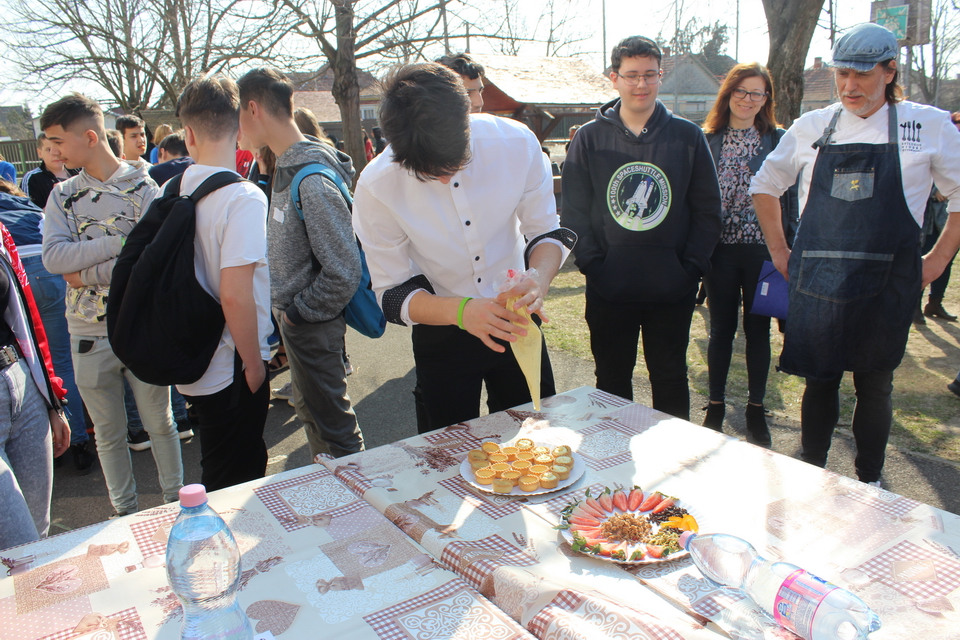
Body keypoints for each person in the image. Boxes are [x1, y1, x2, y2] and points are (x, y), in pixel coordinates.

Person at [750, 23, 960, 487]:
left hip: (886, 284)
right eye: (844, 74)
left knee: (875, 384)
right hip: (819, 281)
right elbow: (764, 186)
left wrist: (938, 260)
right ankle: (814, 472)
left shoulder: (925, 125)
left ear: (890, 71)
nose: (849, 86)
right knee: (819, 381)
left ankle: (870, 480)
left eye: (862, 75)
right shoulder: (811, 127)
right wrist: (781, 251)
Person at [353, 62, 575, 433]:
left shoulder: (516, 144)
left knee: (535, 439)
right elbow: (391, 292)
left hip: (516, 316)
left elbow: (545, 232)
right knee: (445, 459)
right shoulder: (377, 185)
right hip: (441, 321)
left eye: (455, 162)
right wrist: (462, 312)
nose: (445, 177)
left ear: (468, 119)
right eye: (428, 172)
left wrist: (537, 280)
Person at [561, 35, 721, 419]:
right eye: (631, 75)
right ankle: (612, 471)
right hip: (609, 290)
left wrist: (689, 270)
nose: (641, 84)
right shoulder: (588, 139)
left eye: (649, 75)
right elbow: (574, 213)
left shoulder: (687, 137)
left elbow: (708, 211)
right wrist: (596, 268)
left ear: (660, 76)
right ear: (614, 78)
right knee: (612, 383)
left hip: (671, 290)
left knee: (669, 379)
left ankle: (674, 472)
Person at [40, 93, 184, 516]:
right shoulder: (61, 196)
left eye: (57, 141)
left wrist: (85, 270)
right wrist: (119, 244)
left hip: (141, 326)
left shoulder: (145, 188)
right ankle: (125, 513)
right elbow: (54, 260)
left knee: (161, 423)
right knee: (108, 433)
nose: (53, 151)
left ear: (87, 137)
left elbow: (151, 261)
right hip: (86, 332)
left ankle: (177, 505)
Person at [238, 67, 364, 459]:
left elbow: (343, 271)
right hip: (301, 325)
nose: (234, 128)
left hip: (313, 325)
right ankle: (339, 505)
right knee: (315, 418)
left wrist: (297, 313)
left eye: (236, 115)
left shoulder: (310, 177)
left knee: (336, 431)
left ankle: (363, 512)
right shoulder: (286, 166)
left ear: (253, 109)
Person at [173, 75, 272, 490]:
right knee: (238, 472)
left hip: (189, 353)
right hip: (230, 359)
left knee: (216, 460)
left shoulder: (169, 189)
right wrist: (253, 363)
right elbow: (235, 293)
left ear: (188, 134)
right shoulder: (243, 197)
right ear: (238, 130)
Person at [700, 62, 798, 446]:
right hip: (720, 252)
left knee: (758, 332)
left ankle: (756, 409)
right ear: (728, 94)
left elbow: (791, 197)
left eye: (756, 93)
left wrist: (788, 247)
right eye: (741, 91)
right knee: (721, 330)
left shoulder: (779, 139)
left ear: (766, 99)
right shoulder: (708, 138)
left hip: (764, 252)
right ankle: (716, 405)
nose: (747, 99)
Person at [0, 179, 95, 473]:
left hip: (18, 272)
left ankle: (52, 436)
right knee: (59, 361)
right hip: (46, 271)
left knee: (31, 357)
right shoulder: (25, 204)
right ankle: (77, 440)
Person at [0, 217, 70, 548]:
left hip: (20, 382)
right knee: (18, 547)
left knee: (38, 537)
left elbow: (24, 315)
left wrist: (51, 401)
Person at [20, 134, 80, 209]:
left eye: (59, 148)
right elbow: (29, 212)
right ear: (40, 153)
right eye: (49, 149)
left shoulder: (80, 171)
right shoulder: (32, 178)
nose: (55, 153)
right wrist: (57, 198)